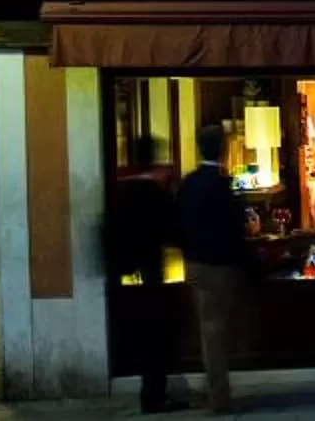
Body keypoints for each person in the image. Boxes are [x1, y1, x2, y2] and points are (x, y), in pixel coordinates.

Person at [174, 123, 249, 414]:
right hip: (222, 265)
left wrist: (189, 252)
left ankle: (218, 391)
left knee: (211, 329)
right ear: (224, 149)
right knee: (221, 328)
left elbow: (177, 224)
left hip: (196, 263)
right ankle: (220, 395)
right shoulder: (221, 184)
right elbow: (235, 227)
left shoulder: (188, 183)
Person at [103, 146, 183, 413]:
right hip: (151, 276)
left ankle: (150, 393)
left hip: (126, 280)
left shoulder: (120, 193)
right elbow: (173, 231)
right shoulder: (155, 194)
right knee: (156, 339)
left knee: (141, 337)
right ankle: (154, 396)